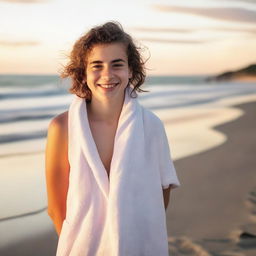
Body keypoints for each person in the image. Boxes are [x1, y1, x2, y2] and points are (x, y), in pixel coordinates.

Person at [45, 21, 180, 256]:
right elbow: (57, 208)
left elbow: (161, 197)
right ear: (83, 72)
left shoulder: (152, 126)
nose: (107, 75)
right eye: (97, 66)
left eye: (117, 65)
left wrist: (137, 238)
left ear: (130, 70)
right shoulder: (63, 127)